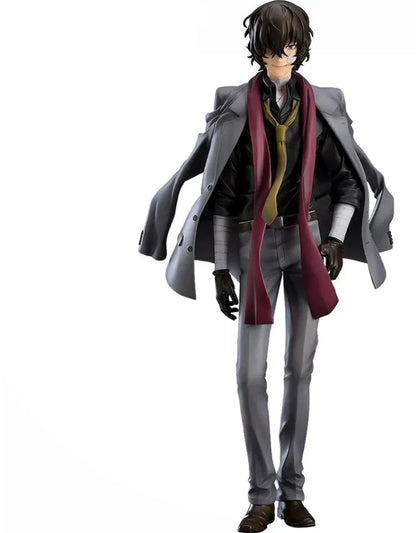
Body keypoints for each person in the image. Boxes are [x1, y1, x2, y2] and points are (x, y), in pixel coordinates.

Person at [138, 2, 394, 530]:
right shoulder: (234, 104)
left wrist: (335, 239)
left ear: (301, 47)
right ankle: (261, 494)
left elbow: (348, 179)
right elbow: (222, 194)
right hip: (252, 248)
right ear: (257, 48)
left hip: (308, 244)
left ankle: (292, 491)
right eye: (272, 45)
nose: (281, 54)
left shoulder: (324, 103)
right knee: (248, 373)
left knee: (300, 368)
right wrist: (219, 269)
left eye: (290, 44)